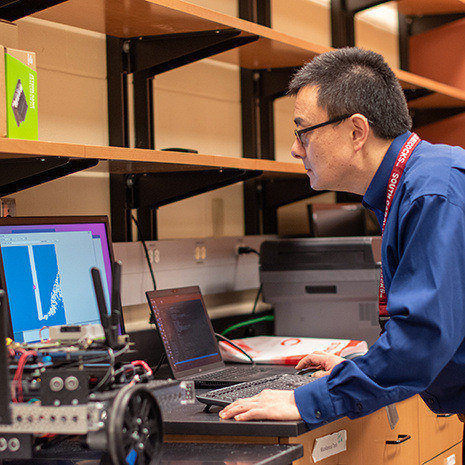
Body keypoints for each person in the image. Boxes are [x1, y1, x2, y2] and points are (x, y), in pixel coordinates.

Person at [219, 47, 465, 426]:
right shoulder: (422, 181)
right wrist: (362, 369)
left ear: (356, 131)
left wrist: (308, 400)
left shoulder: (431, 192)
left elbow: (422, 342)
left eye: (303, 131)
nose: (295, 148)